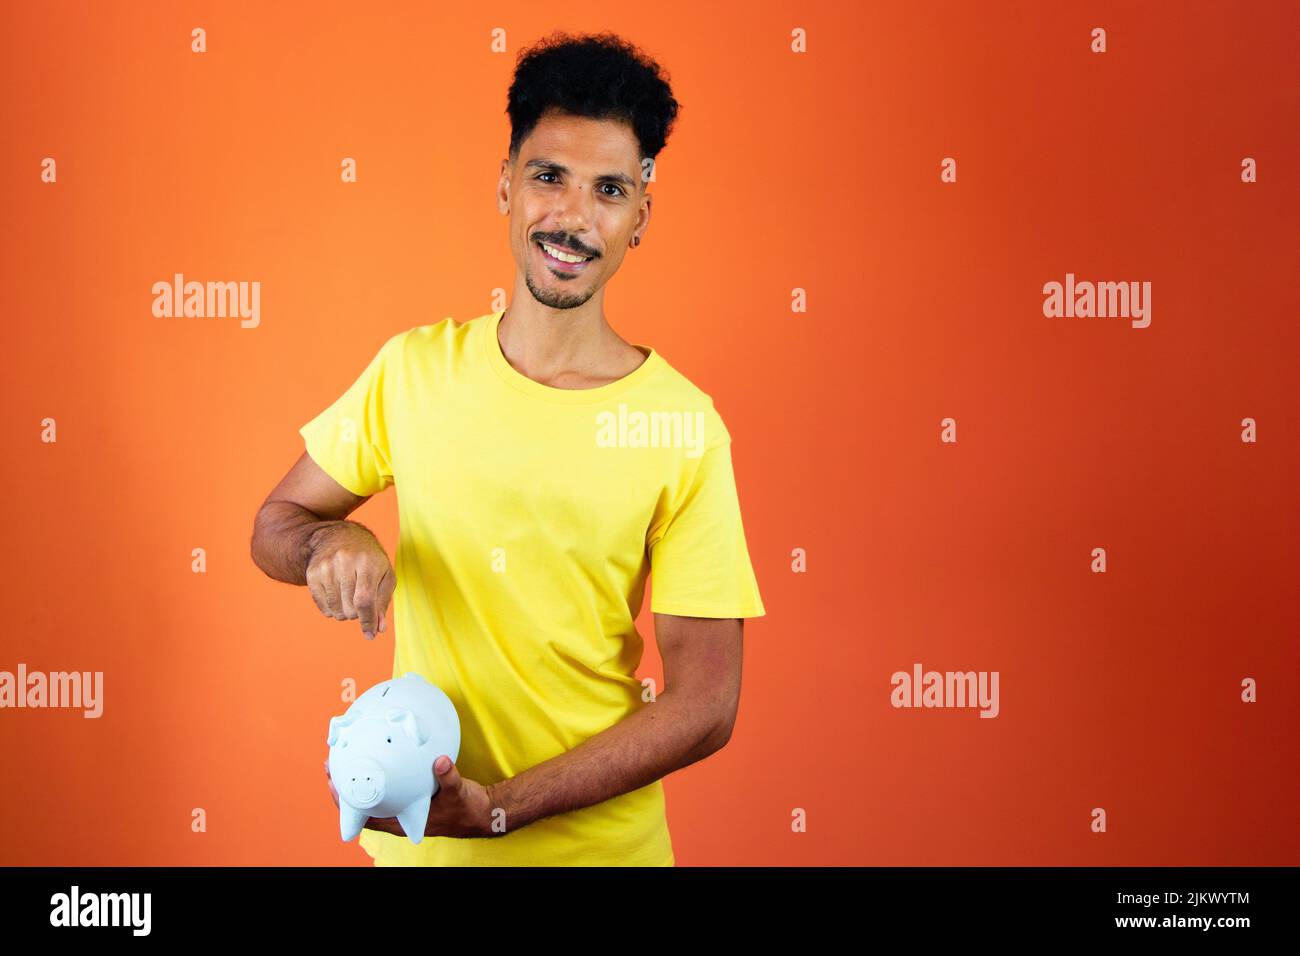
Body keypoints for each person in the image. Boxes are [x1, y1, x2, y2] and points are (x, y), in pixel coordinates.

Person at [250, 30, 765, 866]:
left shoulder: (682, 425)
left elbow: (707, 702)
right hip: (423, 856)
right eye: (548, 176)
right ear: (505, 186)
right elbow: (276, 521)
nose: (572, 217)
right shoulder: (412, 371)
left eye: (609, 190)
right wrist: (329, 538)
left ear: (640, 216)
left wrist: (500, 809)